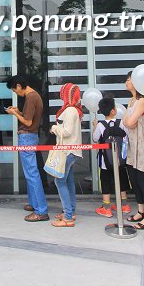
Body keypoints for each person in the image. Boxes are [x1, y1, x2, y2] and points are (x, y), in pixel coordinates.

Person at [5, 75, 49, 222]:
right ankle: (35, 204)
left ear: (18, 86)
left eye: (14, 89)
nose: (15, 92)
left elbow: (28, 122)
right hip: (32, 136)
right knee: (32, 173)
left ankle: (41, 211)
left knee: (32, 174)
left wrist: (15, 113)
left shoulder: (30, 98)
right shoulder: (35, 95)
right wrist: (19, 111)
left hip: (27, 136)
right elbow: (31, 118)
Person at [123, 72, 144, 230]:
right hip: (133, 144)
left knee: (143, 179)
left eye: (129, 79)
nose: (127, 82)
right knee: (135, 178)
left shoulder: (143, 101)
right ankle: (141, 209)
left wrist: (128, 120)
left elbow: (129, 122)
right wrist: (128, 120)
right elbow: (126, 122)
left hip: (143, 144)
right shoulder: (132, 101)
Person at [49, 83, 83, 227]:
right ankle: (71, 211)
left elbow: (67, 131)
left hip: (68, 150)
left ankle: (68, 217)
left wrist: (54, 128)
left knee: (59, 181)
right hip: (71, 150)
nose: (61, 94)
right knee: (68, 181)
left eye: (63, 92)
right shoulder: (75, 110)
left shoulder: (69, 110)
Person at [92, 98, 131, 218]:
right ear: (114, 110)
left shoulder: (100, 125)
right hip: (121, 159)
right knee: (122, 179)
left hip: (105, 161)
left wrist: (94, 126)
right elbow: (127, 136)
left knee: (105, 181)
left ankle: (107, 207)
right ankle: (124, 205)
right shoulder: (122, 122)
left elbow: (95, 138)